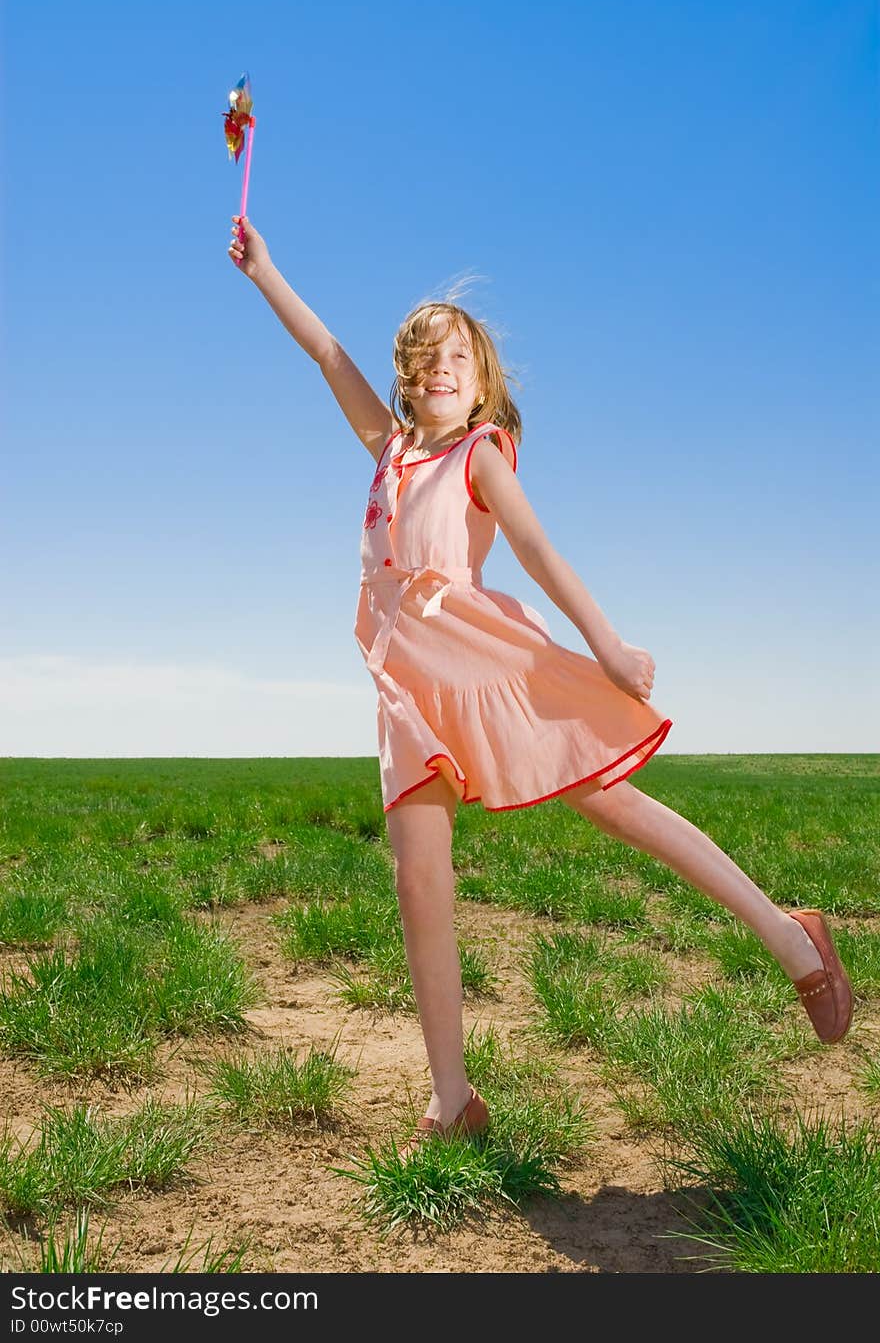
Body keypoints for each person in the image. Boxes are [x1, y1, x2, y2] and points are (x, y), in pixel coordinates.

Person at [227, 214, 854, 1161]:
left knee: (615, 802)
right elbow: (325, 351)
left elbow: (534, 546)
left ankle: (788, 931)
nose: (439, 371)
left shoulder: (476, 454)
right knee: (418, 879)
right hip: (407, 687)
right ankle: (452, 1096)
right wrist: (266, 271)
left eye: (457, 361)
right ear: (406, 380)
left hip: (487, 666)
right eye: (424, 360)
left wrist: (606, 645)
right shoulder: (392, 449)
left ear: (481, 384)